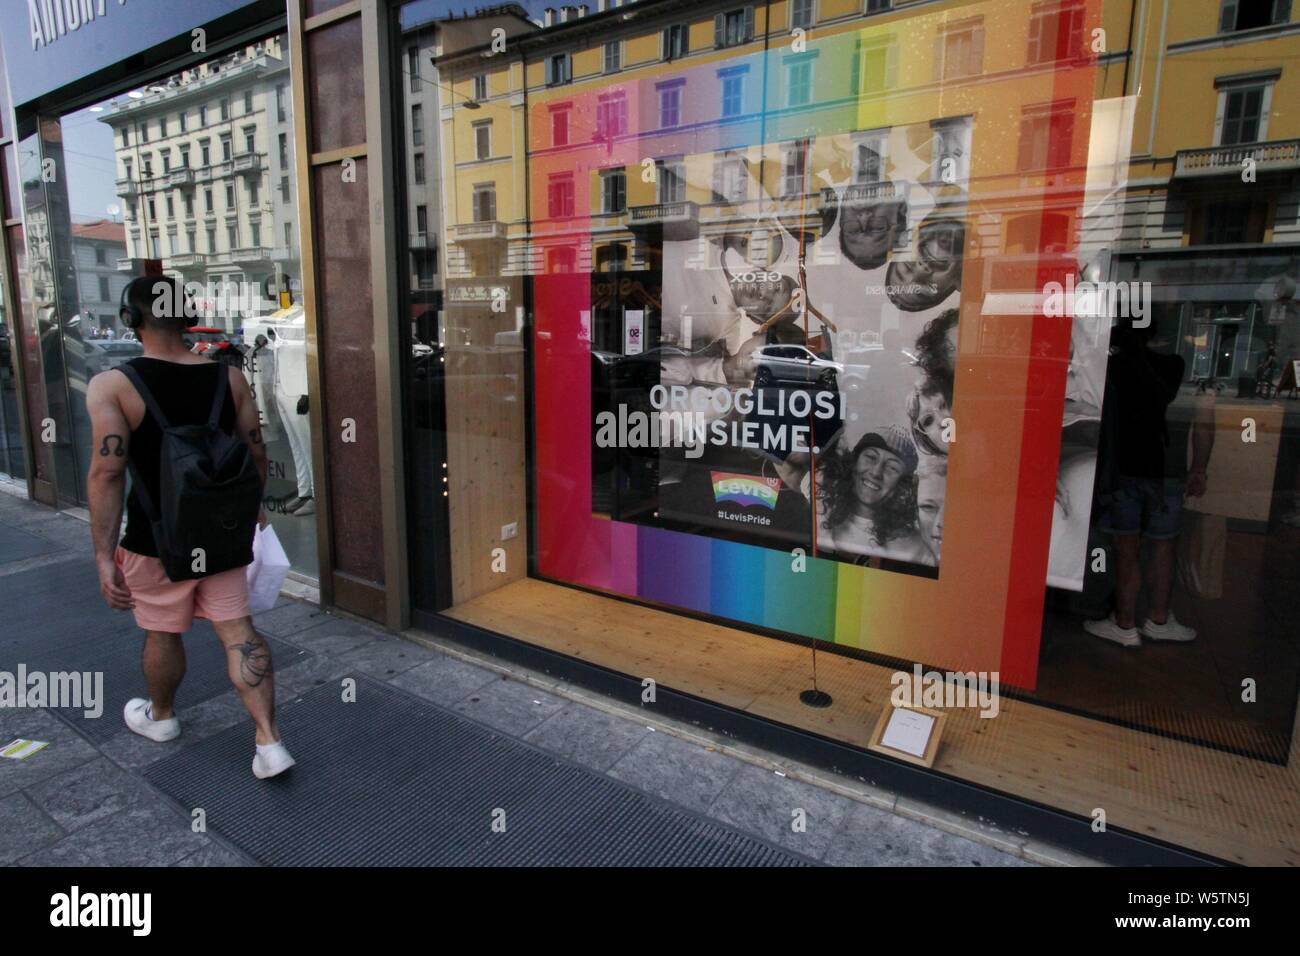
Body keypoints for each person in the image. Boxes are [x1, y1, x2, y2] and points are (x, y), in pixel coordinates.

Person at [85, 276, 294, 779]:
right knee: (239, 632)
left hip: (155, 538)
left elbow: (107, 471)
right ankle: (269, 742)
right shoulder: (229, 379)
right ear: (186, 315)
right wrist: (251, 513)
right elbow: (256, 452)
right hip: (219, 533)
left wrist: (101, 554)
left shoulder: (113, 386)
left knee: (161, 630)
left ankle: (161, 718)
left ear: (130, 320)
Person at [1084, 320, 1213, 647]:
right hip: (1168, 472)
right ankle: (1159, 618)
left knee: (1126, 550)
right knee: (1164, 546)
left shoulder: (1114, 365)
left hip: (1124, 470)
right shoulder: (1183, 367)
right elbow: (1204, 422)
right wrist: (1199, 468)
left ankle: (1125, 624)